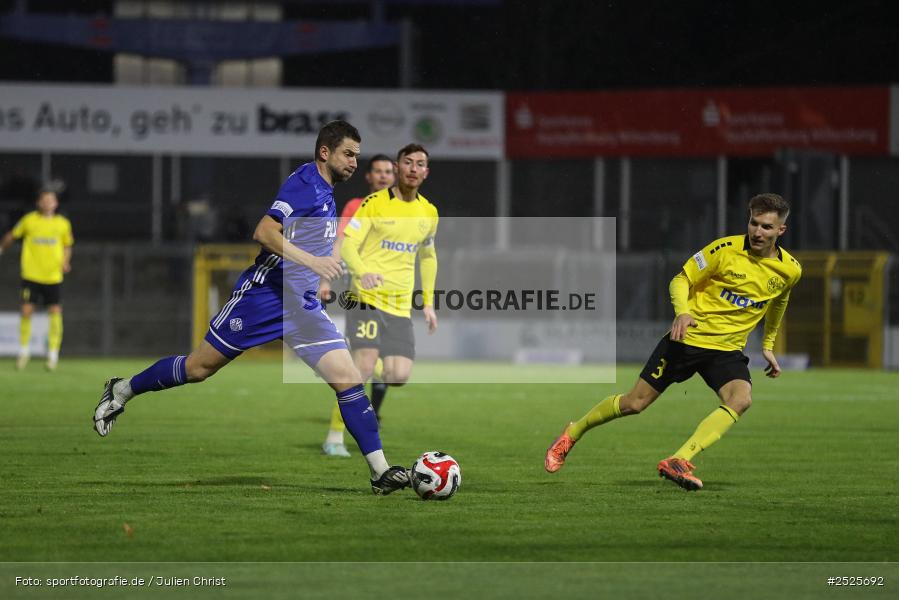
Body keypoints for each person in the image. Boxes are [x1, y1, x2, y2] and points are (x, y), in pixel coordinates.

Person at [92, 120, 411, 496]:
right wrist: (314, 262)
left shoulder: (325, 191)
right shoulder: (305, 184)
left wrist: (322, 269)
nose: (355, 162)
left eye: (357, 155)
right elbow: (264, 232)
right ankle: (122, 390)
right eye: (349, 154)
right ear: (325, 152)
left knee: (349, 380)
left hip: (303, 306)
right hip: (264, 297)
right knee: (198, 369)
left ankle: (380, 472)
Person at [545, 193, 802, 491]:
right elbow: (680, 280)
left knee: (741, 399)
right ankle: (573, 432)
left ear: (780, 230)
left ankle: (679, 460)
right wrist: (683, 312)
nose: (757, 232)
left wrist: (768, 345)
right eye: (754, 223)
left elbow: (779, 302)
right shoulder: (723, 250)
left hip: (726, 351)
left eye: (766, 227)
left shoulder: (790, 270)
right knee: (634, 403)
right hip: (687, 340)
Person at [339, 143, 439, 440]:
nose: (413, 169)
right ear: (397, 168)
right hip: (365, 298)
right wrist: (362, 272)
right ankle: (347, 436)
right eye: (407, 162)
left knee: (398, 375)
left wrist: (428, 303)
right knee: (364, 366)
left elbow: (428, 257)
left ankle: (354, 361)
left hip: (399, 306)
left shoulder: (428, 212)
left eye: (419, 164)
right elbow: (348, 244)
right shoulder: (374, 203)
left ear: (426, 172)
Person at [320, 154, 395, 457]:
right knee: (364, 367)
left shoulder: (405, 211)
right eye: (378, 171)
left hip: (394, 299)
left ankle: (367, 417)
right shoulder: (357, 206)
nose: (383, 176)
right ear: (369, 177)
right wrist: (325, 279)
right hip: (363, 296)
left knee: (388, 370)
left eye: (388, 171)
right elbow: (339, 243)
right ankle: (334, 436)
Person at [0, 189, 74, 371]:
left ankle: (53, 355)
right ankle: (23, 352)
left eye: (51, 200)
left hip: (53, 276)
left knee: (55, 311)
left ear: (56, 203)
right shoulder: (29, 220)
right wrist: (1, 248)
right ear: (38, 203)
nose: (48, 203)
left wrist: (65, 261)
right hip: (31, 275)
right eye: (44, 199)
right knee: (26, 311)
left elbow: (67, 245)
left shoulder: (63, 223)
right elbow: (12, 235)